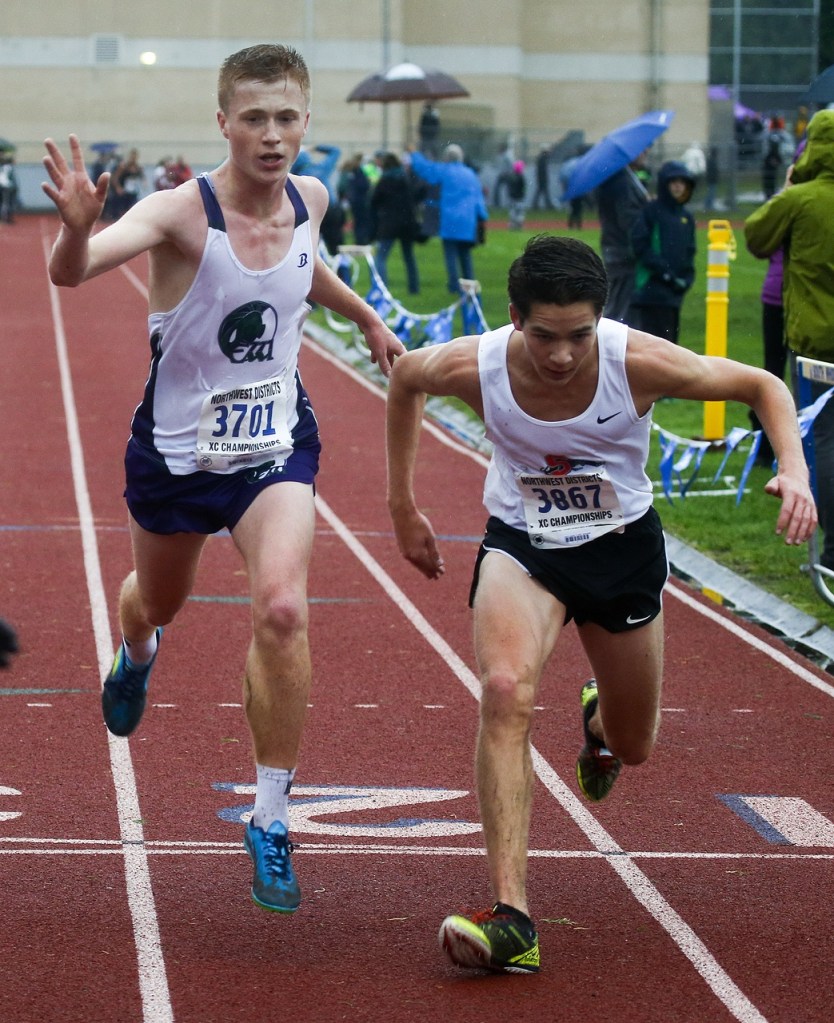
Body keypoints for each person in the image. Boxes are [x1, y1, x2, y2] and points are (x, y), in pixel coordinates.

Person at [385, 234, 816, 975]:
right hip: (524, 546)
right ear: (514, 316)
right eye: (544, 336)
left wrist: (795, 471)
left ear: (600, 321)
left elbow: (763, 387)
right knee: (503, 690)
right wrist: (402, 505)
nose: (561, 355)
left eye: (578, 335)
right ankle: (513, 916)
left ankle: (598, 723)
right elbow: (404, 381)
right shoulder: (474, 365)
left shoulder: (636, 361)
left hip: (621, 553)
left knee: (636, 740)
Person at [42, 43, 404, 916]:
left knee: (283, 607)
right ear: (223, 123)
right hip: (176, 457)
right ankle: (138, 652)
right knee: (156, 602)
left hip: (275, 444)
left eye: (287, 118)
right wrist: (81, 226)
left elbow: (305, 265)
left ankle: (271, 817)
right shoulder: (176, 213)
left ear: (307, 122)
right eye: (254, 119)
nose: (272, 136)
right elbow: (71, 272)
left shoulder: (312, 198)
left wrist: (363, 318)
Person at [745, 108, 834, 573]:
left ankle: (832, 552)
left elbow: (757, 237)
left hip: (819, 343)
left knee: (824, 438)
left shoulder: (800, 199)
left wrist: (791, 184)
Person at [629, 160, 697, 344]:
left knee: (672, 346)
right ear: (664, 184)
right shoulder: (651, 212)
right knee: (655, 348)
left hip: (674, 294)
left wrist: (687, 278)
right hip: (653, 291)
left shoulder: (686, 217)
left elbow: (690, 250)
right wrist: (665, 274)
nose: (677, 186)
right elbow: (640, 246)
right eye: (673, 182)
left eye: (682, 182)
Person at [410, 143, 488, 293]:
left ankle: (454, 286)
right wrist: (482, 217)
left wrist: (414, 154)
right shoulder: (470, 174)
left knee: (450, 255)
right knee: (465, 255)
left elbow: (425, 169)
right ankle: (469, 284)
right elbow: (478, 199)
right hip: (467, 221)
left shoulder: (445, 171)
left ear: (447, 157)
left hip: (450, 220)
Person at [595, 150, 650, 321]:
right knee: (620, 308)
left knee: (619, 304)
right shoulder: (622, 181)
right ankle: (609, 345)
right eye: (641, 150)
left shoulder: (619, 177)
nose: (645, 152)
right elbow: (627, 218)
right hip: (622, 250)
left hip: (615, 247)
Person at [369, 151, 421, 294]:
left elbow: (374, 201)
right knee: (409, 257)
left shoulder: (385, 180)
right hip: (407, 222)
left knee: (381, 257)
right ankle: (414, 288)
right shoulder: (406, 178)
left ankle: (381, 288)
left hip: (389, 223)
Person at [531, 145, 553, 210]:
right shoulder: (543, 159)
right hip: (542, 178)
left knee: (540, 192)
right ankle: (548, 205)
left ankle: (536, 204)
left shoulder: (541, 158)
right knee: (544, 192)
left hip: (541, 178)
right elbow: (542, 170)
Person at [506, 160, 526, 230]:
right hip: (519, 198)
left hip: (512, 198)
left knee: (512, 213)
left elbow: (509, 188)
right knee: (520, 213)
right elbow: (523, 188)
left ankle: (512, 225)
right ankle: (519, 225)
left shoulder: (511, 177)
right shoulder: (521, 177)